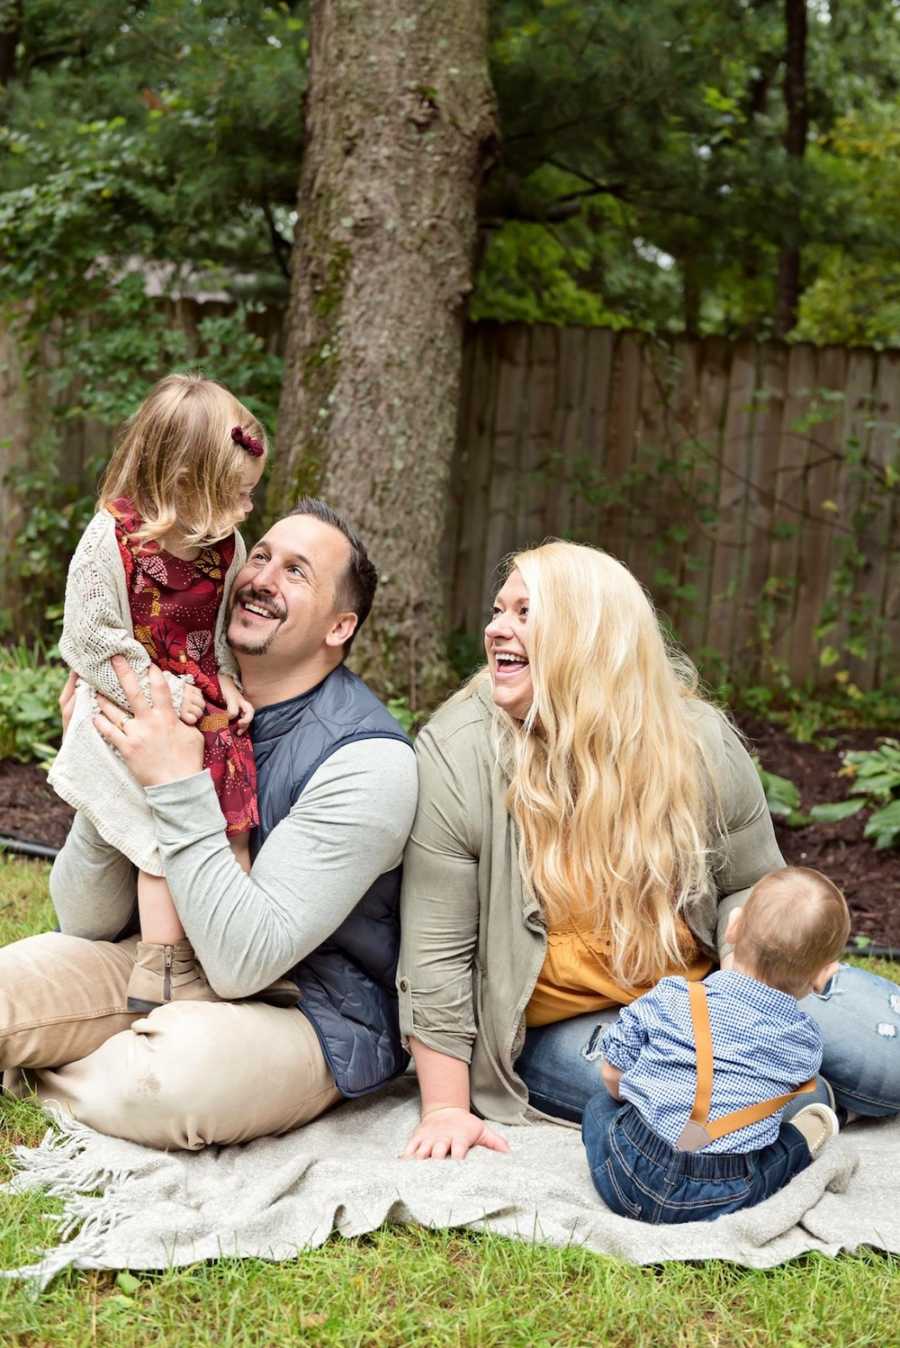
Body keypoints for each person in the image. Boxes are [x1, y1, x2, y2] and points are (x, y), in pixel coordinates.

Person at [397, 539, 900, 1162]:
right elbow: (436, 954)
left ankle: (832, 1096)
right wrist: (446, 1108)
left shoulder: (698, 742)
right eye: (499, 610)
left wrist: (759, 985)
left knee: (887, 1062)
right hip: (569, 1023)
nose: (495, 628)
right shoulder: (458, 754)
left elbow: (754, 881)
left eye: (524, 613)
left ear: (589, 634)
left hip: (719, 985)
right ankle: (812, 1104)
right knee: (776, 1100)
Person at [0, 499, 418, 1150]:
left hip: (308, 1005)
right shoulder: (174, 693)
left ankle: (41, 1063)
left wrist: (175, 781)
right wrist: (105, 771)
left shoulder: (368, 762)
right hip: (159, 964)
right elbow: (84, 919)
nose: (261, 579)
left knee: (176, 1076)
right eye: (260, 556)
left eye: (296, 572)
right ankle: (81, 1060)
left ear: (340, 627)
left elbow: (242, 965)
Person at [49, 373, 268, 1011]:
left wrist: (223, 674)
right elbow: (90, 639)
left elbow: (219, 629)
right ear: (182, 485)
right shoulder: (111, 540)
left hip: (195, 696)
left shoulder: (225, 546)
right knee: (162, 812)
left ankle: (228, 946)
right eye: (237, 496)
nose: (248, 510)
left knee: (232, 806)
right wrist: (161, 691)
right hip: (128, 693)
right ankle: (162, 966)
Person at [581, 867, 848, 1224]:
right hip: (722, 1193)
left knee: (600, 1106)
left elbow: (613, 1075)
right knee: (779, 1144)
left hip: (626, 1172)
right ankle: (800, 1143)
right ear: (821, 977)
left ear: (733, 927)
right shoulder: (803, 1043)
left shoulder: (672, 996)